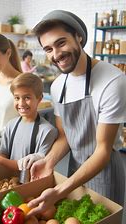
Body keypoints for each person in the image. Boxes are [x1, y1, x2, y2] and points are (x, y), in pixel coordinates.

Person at [27, 9, 126, 216]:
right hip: (74, 169)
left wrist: (60, 190)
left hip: (105, 172)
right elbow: (65, 136)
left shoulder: (112, 81)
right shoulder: (57, 86)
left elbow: (103, 150)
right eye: (48, 49)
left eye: (61, 43)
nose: (56, 55)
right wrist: (50, 160)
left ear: (78, 37)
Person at [0, 73, 58, 171]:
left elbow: (31, 168)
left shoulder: (47, 131)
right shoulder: (11, 125)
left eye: (27, 98)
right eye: (17, 98)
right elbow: (4, 152)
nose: (21, 103)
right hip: (11, 179)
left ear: (39, 99)